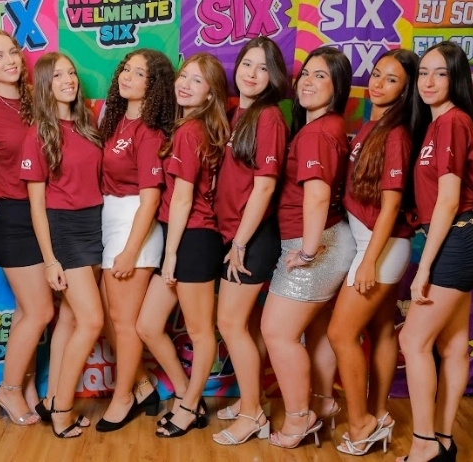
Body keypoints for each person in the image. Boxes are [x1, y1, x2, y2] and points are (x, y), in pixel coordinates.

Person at [397, 41, 473, 462]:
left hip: (458, 240)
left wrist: (424, 268)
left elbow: (449, 201)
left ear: (457, 80)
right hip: (462, 239)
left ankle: (424, 446)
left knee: (413, 339)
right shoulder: (439, 124)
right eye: (424, 73)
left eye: (441, 73)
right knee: (452, 345)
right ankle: (443, 441)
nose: (429, 81)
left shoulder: (452, 122)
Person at [259, 46, 354, 449]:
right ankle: (323, 402)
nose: (308, 83)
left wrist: (310, 251)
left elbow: (317, 196)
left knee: (277, 332)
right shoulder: (326, 126)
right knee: (314, 331)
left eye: (321, 76)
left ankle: (300, 419)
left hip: (315, 242)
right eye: (306, 74)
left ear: (337, 88)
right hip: (327, 238)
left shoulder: (317, 133)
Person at [326, 49, 419, 456]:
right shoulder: (372, 125)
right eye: (377, 74)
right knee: (381, 330)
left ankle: (361, 424)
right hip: (374, 242)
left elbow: (392, 205)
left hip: (381, 247)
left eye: (391, 79)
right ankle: (379, 414)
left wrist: (368, 261)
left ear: (406, 90)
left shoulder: (396, 134)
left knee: (340, 333)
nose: (378, 83)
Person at [135, 52, 230, 438]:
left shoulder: (191, 131)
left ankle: (189, 406)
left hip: (193, 239)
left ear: (211, 93)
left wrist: (172, 253)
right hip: (181, 237)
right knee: (147, 325)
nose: (185, 85)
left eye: (197, 80)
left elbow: (183, 198)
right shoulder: (190, 127)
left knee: (200, 331)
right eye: (183, 76)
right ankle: (189, 395)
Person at [20, 52, 105, 439]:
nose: (69, 80)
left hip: (95, 225)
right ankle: (62, 410)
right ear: (45, 85)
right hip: (65, 229)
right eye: (58, 76)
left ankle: (53, 397)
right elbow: (36, 205)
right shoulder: (38, 133)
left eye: (71, 73)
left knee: (70, 320)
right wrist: (50, 260)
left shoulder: (87, 126)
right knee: (92, 321)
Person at [211, 37, 288, 446]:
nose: (253, 74)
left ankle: (252, 414)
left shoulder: (269, 117)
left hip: (251, 238)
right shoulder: (233, 113)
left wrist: (240, 242)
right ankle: (250, 398)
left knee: (229, 322)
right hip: (231, 234)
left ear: (273, 77)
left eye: (262, 68)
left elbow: (264, 187)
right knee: (244, 326)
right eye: (247, 64)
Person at [0, 30, 51, 426]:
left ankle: (28, 386)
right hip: (16, 218)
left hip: (51, 216)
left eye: (13, 52)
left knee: (25, 311)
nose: (9, 60)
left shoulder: (39, 100)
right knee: (40, 311)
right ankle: (9, 389)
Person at [95, 49, 176, 432]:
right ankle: (143, 386)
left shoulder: (149, 132)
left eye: (139, 73)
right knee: (108, 317)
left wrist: (130, 251)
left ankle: (123, 397)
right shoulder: (113, 120)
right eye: (126, 69)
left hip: (133, 226)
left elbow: (151, 200)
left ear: (154, 85)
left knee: (124, 323)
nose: (127, 76)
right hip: (110, 220)